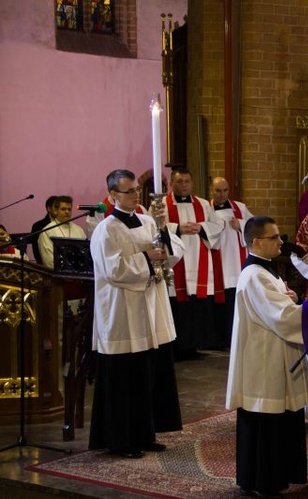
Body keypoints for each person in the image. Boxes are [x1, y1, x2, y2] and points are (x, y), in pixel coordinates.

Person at [88, 169, 185, 459]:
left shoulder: (146, 221)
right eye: (129, 191)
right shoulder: (106, 229)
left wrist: (164, 231)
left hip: (149, 308)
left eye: (136, 190)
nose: (135, 195)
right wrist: (147, 257)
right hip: (122, 312)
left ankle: (145, 433)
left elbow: (174, 254)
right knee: (124, 379)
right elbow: (114, 270)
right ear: (113, 195)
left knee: (147, 374)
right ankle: (120, 439)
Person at [226, 215, 308, 498]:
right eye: (274, 237)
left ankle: (278, 475)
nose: (280, 242)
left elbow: (285, 302)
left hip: (274, 354)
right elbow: (283, 317)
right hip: (262, 361)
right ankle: (262, 479)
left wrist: (292, 299)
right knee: (266, 419)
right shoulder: (254, 276)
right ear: (256, 242)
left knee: (278, 417)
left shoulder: (267, 270)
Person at [164, 168, 224, 358]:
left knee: (197, 305)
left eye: (187, 181)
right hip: (175, 261)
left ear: (192, 183)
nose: (183, 185)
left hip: (199, 260)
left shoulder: (204, 204)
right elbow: (153, 228)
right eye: (179, 181)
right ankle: (176, 348)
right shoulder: (162, 205)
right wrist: (176, 228)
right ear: (172, 183)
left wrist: (202, 227)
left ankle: (193, 347)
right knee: (177, 304)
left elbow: (217, 225)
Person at [210, 176, 254, 348]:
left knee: (234, 300)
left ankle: (235, 336)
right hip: (216, 260)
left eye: (225, 190)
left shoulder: (240, 208)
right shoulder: (206, 208)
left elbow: (254, 226)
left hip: (236, 260)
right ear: (211, 190)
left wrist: (241, 224)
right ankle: (218, 339)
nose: (222, 194)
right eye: (218, 191)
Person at [38, 195, 87, 269]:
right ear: (55, 211)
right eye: (63, 209)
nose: (67, 212)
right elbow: (49, 260)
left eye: (69, 209)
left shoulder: (79, 230)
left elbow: (85, 254)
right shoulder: (47, 231)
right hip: (57, 277)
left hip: (79, 275)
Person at [29, 195, 58, 263]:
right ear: (49, 208)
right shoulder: (38, 226)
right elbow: (36, 250)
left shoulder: (67, 225)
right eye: (56, 207)